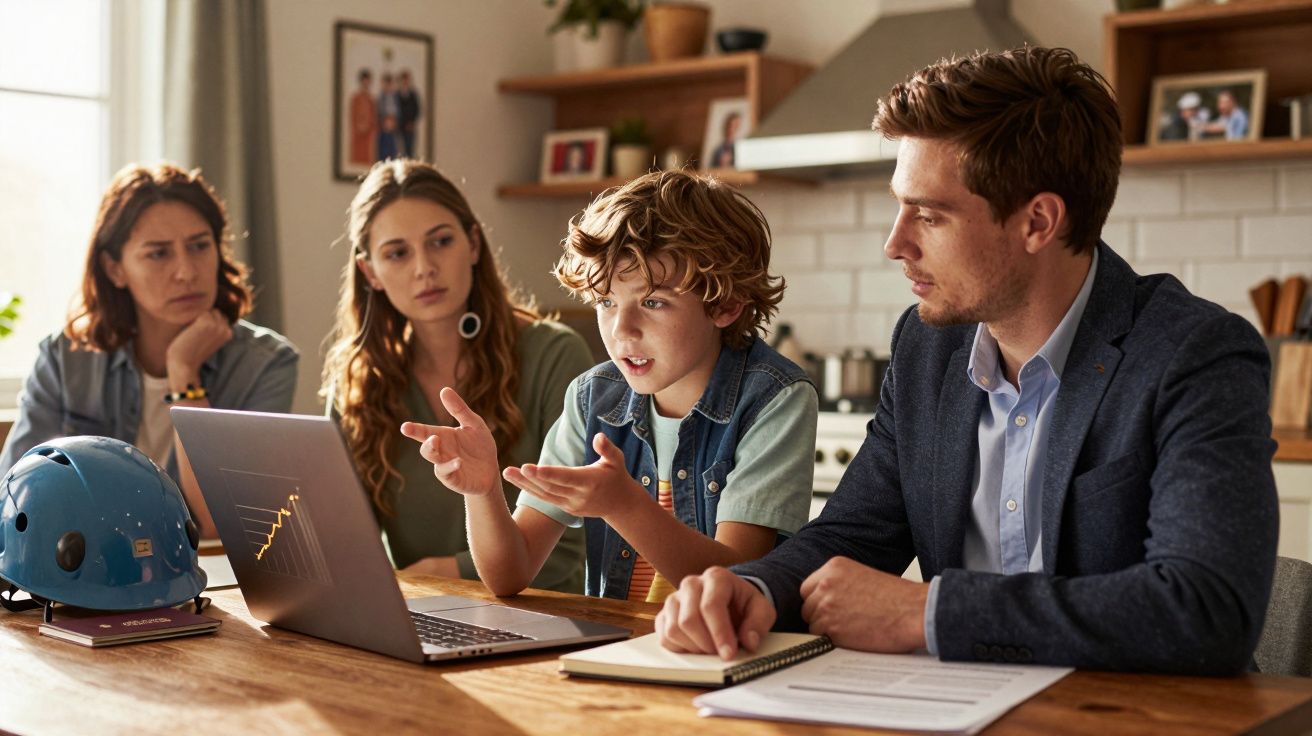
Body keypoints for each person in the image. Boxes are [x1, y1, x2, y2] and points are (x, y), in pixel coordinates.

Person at [656, 46, 1278, 675]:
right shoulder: (928, 347)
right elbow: (852, 534)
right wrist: (754, 590)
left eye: (928, 214)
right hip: (959, 707)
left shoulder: (1194, 353)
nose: (895, 243)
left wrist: (925, 613)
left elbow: (1206, 611)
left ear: (1038, 221)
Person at [402, 170, 817, 602]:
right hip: (616, 651)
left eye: (653, 302)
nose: (622, 329)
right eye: (606, 301)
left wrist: (626, 506)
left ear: (726, 304)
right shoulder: (592, 399)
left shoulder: (774, 398)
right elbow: (510, 574)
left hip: (722, 656)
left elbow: (736, 584)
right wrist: (484, 491)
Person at [322, 159, 588, 591]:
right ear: (370, 272)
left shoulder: (554, 355)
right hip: (420, 614)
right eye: (397, 253)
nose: (424, 267)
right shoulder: (358, 382)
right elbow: (350, 544)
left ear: (474, 244)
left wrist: (439, 572)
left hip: (543, 617)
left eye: (441, 241)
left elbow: (564, 552)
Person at [0, 164, 299, 539]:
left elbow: (215, 525)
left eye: (199, 246)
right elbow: (16, 499)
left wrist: (184, 373)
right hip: (80, 570)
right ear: (115, 269)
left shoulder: (266, 363)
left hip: (201, 576)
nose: (187, 271)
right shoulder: (64, 359)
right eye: (158, 254)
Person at [350, 69, 377, 165]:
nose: (366, 84)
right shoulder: (355, 98)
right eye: (364, 81)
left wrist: (369, 126)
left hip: (368, 134)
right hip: (357, 134)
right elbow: (353, 116)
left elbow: (374, 116)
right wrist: (359, 126)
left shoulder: (371, 99)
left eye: (368, 81)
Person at [396, 69, 422, 158]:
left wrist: (412, 122)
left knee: (410, 149)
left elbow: (417, 109)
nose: (405, 82)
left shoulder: (413, 94)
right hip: (400, 126)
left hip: (410, 127)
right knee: (400, 149)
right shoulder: (397, 94)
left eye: (407, 79)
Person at [377, 73, 400, 161]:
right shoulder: (381, 97)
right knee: (384, 149)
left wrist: (393, 122)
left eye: (390, 84)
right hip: (384, 126)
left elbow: (398, 112)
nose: (388, 86)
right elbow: (379, 112)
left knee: (393, 148)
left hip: (393, 126)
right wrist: (384, 122)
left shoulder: (395, 97)